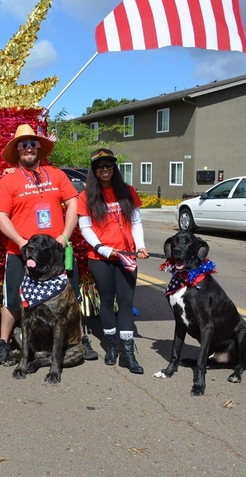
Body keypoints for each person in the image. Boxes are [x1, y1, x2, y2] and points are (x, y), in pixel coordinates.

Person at [0, 124, 99, 365]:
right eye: (23, 145)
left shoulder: (57, 175)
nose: (28, 148)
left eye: (32, 144)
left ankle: (79, 339)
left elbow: (72, 203)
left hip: (55, 253)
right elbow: (0, 215)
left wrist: (65, 236)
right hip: (21, 252)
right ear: (17, 151)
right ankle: (4, 342)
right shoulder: (8, 181)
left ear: (39, 148)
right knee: (13, 298)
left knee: (70, 296)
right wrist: (21, 242)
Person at [77, 148, 149, 374]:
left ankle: (127, 353)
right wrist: (101, 248)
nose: (105, 169)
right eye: (100, 166)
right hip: (101, 257)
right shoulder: (86, 196)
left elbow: (136, 222)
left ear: (114, 167)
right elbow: (85, 227)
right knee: (106, 301)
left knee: (126, 301)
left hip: (126, 256)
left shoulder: (126, 191)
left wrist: (140, 246)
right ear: (94, 171)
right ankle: (111, 347)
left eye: (108, 165)